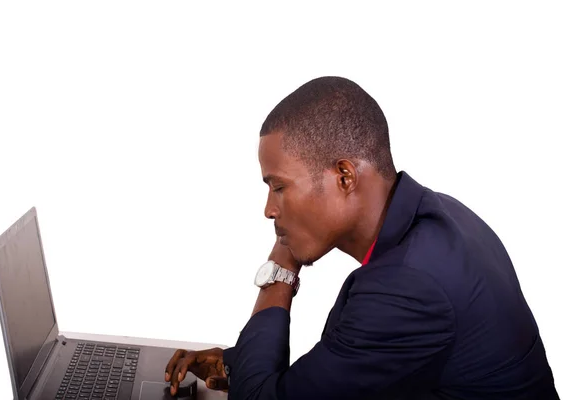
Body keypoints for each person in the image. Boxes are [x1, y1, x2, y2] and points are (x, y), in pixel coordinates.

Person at [165, 77, 559, 399]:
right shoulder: (443, 217)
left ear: (344, 177)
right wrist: (243, 364)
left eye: (279, 187)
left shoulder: (408, 286)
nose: (268, 209)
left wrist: (282, 267)